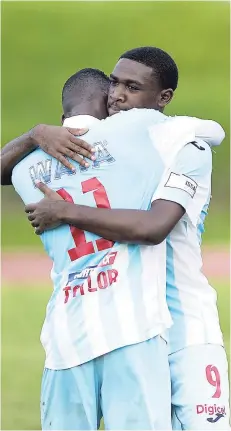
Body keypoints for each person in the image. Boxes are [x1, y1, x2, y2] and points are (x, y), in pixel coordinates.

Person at [1, 46, 229, 431]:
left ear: (163, 98)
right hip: (136, 326)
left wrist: (64, 210)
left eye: (131, 87)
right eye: (114, 83)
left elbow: (153, 228)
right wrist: (39, 134)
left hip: (186, 329)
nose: (116, 95)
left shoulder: (186, 146)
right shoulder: (116, 147)